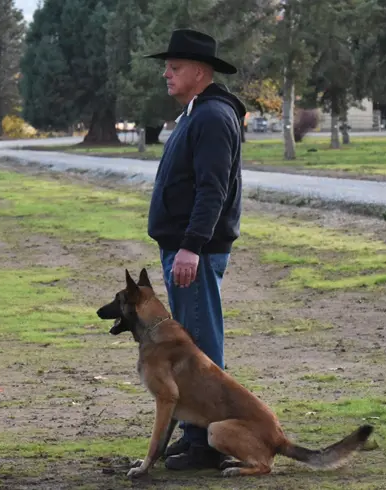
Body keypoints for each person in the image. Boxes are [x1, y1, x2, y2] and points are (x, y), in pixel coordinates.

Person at [145, 28, 246, 471]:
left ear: (200, 72)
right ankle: (195, 434)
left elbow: (213, 190)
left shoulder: (211, 117)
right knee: (189, 347)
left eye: (175, 67)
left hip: (194, 254)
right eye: (166, 66)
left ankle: (209, 444)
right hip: (185, 250)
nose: (166, 73)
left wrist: (191, 247)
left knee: (200, 347)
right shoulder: (196, 113)